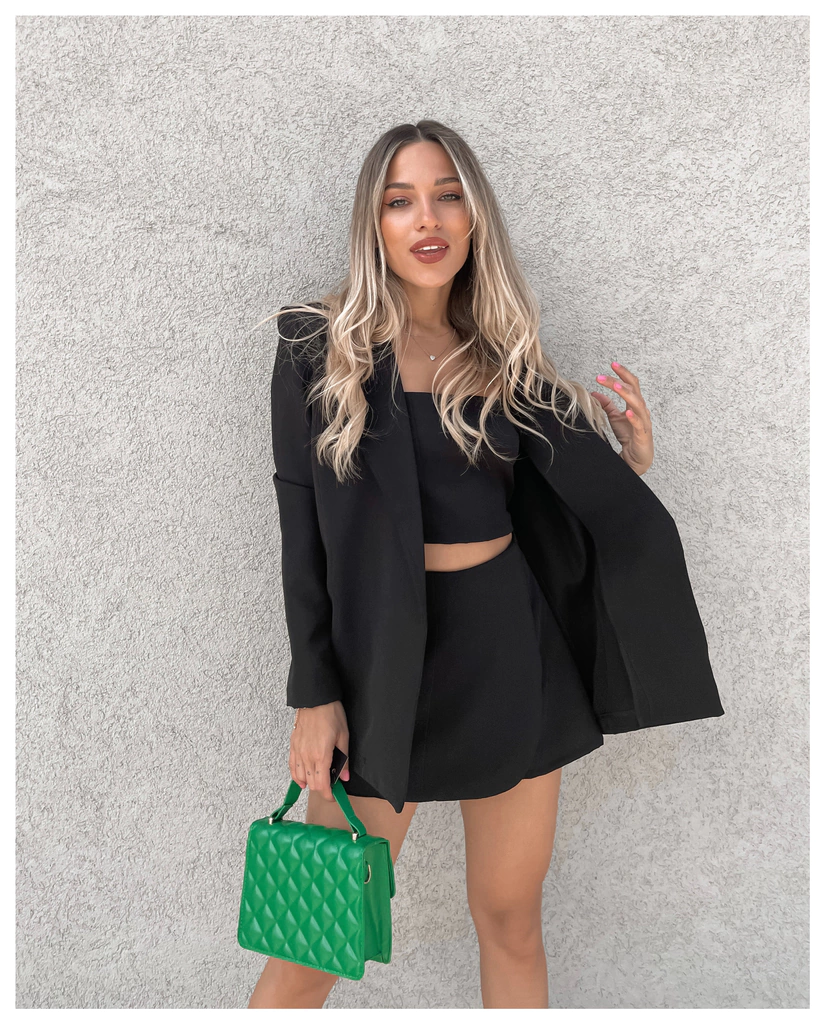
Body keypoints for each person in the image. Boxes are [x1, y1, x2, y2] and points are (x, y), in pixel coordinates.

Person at [248, 120, 724, 1009]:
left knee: (510, 920)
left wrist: (625, 464)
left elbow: (554, 499)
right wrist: (315, 694)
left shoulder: (501, 352)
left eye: (446, 196)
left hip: (509, 655)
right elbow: (300, 533)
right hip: (384, 668)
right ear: (373, 223)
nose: (426, 219)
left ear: (473, 217)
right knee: (314, 941)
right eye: (399, 201)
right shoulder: (318, 346)